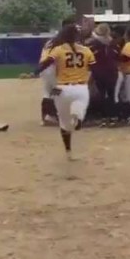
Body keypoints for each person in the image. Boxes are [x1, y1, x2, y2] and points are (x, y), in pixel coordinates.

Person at [36, 24, 95, 160]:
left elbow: (45, 64)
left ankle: (68, 151)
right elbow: (94, 68)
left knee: (63, 122)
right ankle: (77, 116)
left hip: (62, 88)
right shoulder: (86, 50)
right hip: (80, 87)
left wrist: (34, 72)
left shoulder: (58, 49)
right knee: (80, 104)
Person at [85, 23, 120, 126]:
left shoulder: (92, 44)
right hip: (112, 72)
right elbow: (118, 57)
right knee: (111, 95)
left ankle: (103, 116)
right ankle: (112, 116)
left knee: (101, 94)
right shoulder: (113, 44)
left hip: (98, 72)